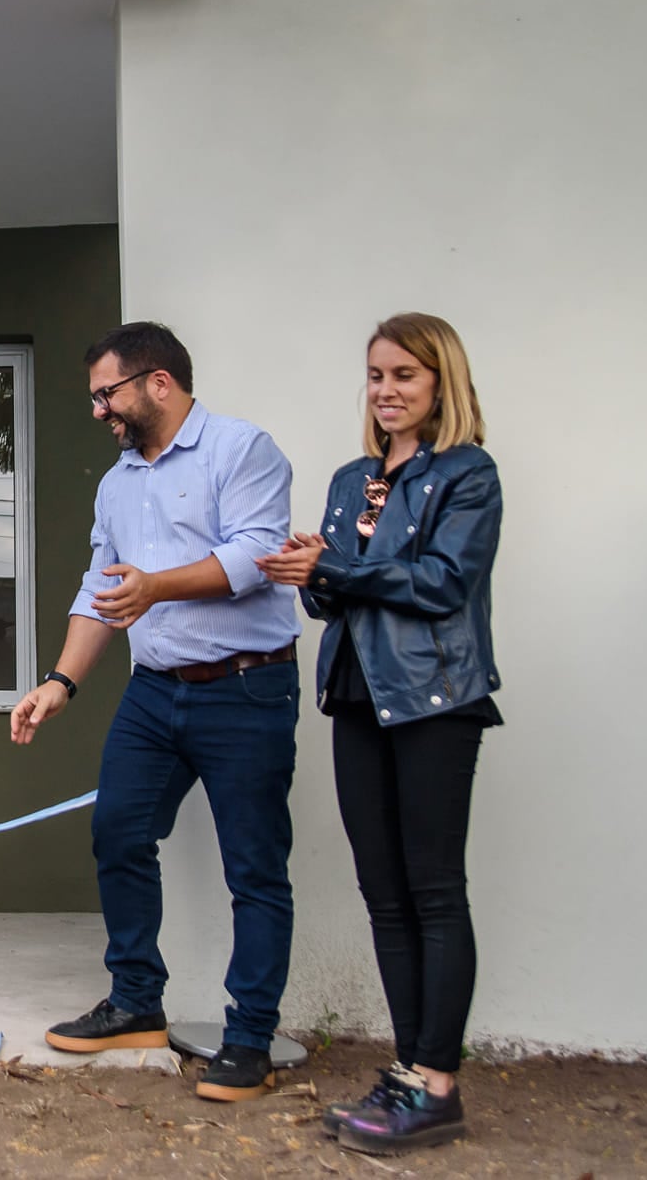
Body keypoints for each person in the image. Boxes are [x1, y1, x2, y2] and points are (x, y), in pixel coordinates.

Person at [8, 321, 300, 1102]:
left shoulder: (243, 450)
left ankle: (249, 1040)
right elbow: (100, 590)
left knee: (255, 868)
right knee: (119, 830)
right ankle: (136, 999)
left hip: (247, 687)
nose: (100, 410)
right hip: (155, 690)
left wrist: (157, 586)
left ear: (158, 382)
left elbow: (257, 556)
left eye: (108, 393)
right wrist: (59, 682)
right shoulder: (117, 482)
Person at [254, 313, 501, 1155]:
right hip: (357, 697)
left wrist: (334, 567)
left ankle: (438, 1084)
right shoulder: (352, 476)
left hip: (436, 699)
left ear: (441, 382)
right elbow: (330, 600)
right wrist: (309, 565)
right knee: (383, 894)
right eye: (375, 376)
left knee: (434, 890)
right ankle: (408, 1071)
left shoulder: (468, 474)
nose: (387, 390)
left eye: (405, 375)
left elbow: (441, 584)